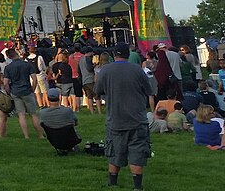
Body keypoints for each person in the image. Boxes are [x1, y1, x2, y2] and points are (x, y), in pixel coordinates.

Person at [94, 43, 156, 190]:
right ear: (128, 55)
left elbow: (97, 90)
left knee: (115, 151)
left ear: (114, 54)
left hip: (115, 119)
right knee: (137, 152)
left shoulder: (105, 70)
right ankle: (137, 186)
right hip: (137, 118)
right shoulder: (138, 70)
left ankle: (113, 183)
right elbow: (149, 90)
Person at [3, 47, 45, 139]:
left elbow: (5, 83)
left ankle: (26, 136)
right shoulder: (27, 64)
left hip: (15, 92)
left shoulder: (8, 67)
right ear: (17, 54)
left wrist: (9, 92)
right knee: (33, 114)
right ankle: (40, 135)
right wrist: (32, 89)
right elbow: (34, 79)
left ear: (9, 57)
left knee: (21, 115)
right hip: (27, 91)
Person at [39, 87, 82, 155]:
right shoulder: (67, 110)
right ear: (59, 97)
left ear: (47, 98)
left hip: (54, 140)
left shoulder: (42, 113)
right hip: (70, 139)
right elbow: (75, 122)